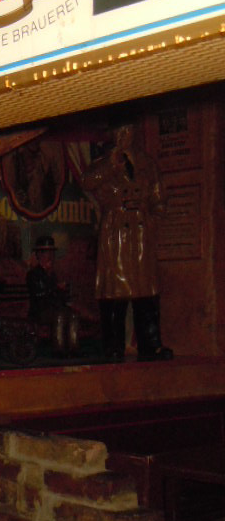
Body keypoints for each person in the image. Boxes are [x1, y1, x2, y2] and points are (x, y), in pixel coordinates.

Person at [81, 123, 173, 362]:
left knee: (146, 293)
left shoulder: (147, 163)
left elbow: (159, 198)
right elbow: (87, 182)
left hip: (141, 234)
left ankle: (151, 344)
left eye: (128, 130)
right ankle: (113, 346)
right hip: (115, 234)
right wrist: (112, 164)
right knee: (114, 293)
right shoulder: (104, 163)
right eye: (119, 130)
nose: (124, 135)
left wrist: (151, 220)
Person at [26, 235, 79, 356]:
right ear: (39, 255)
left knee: (73, 314)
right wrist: (55, 288)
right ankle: (58, 349)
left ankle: (73, 348)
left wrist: (64, 294)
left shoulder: (52, 274)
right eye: (46, 253)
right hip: (39, 310)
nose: (50, 256)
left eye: (51, 253)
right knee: (59, 316)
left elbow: (57, 296)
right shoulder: (33, 274)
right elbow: (38, 295)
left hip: (53, 307)